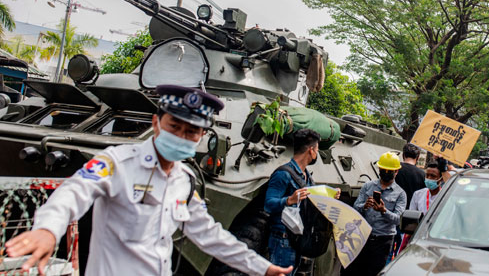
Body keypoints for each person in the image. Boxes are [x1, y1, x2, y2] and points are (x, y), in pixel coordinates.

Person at [5, 85, 291, 276]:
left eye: (191, 131)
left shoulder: (184, 179)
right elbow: (75, 191)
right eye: (174, 126)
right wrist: (48, 230)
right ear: (156, 123)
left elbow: (209, 235)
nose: (181, 136)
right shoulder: (117, 162)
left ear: (202, 136)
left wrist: (259, 267)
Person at [264, 128, 321, 274]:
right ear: (311, 150)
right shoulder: (283, 174)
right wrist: (289, 200)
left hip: (298, 241)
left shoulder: (307, 177)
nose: (317, 153)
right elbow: (268, 204)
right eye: (317, 149)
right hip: (282, 240)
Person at [342, 152, 406, 276]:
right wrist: (365, 206)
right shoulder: (368, 186)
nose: (386, 173)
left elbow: (398, 220)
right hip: (362, 237)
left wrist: (383, 211)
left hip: (383, 241)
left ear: (396, 171)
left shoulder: (400, 194)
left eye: (389, 171)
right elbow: (356, 207)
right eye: (383, 170)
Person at [394, 143, 426, 210]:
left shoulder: (394, 168)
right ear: (418, 157)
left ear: (403, 155)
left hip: (393, 209)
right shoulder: (423, 175)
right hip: (410, 213)